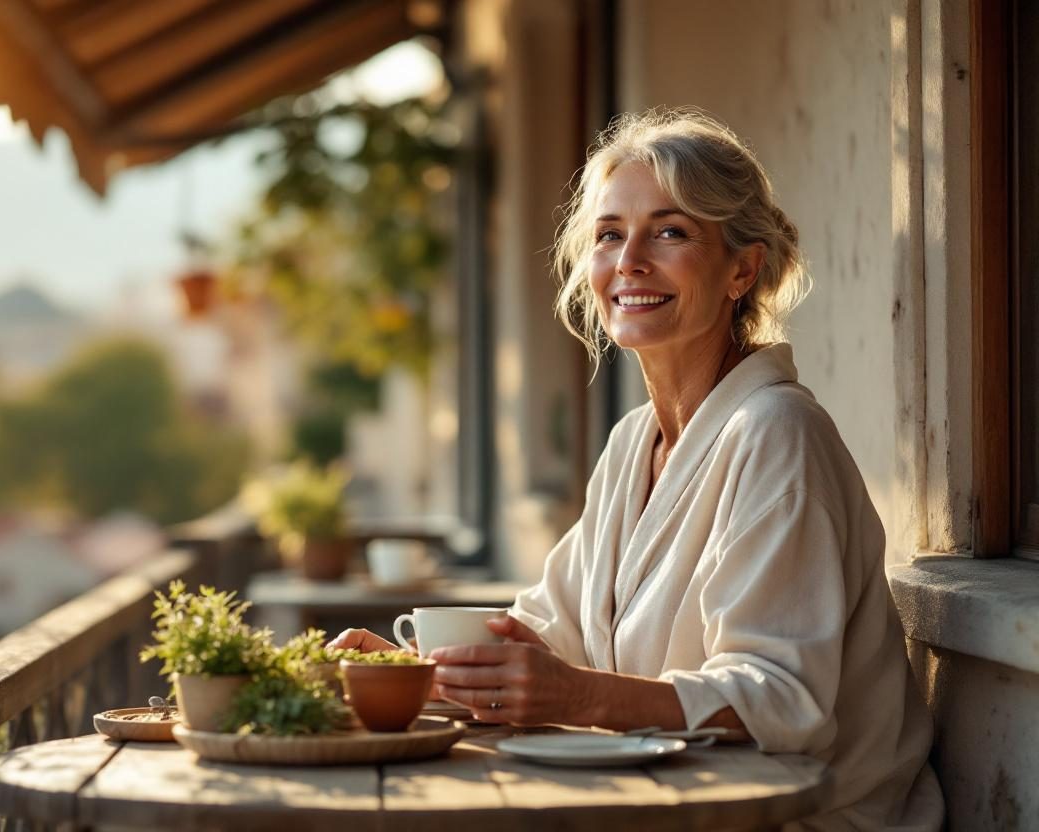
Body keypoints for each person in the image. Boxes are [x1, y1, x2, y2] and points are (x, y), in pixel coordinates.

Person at [330, 109, 943, 830]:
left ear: (742, 269)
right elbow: (549, 638)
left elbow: (782, 699)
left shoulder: (778, 435)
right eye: (610, 234)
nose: (629, 261)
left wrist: (579, 699)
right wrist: (410, 675)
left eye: (671, 231)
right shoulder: (632, 445)